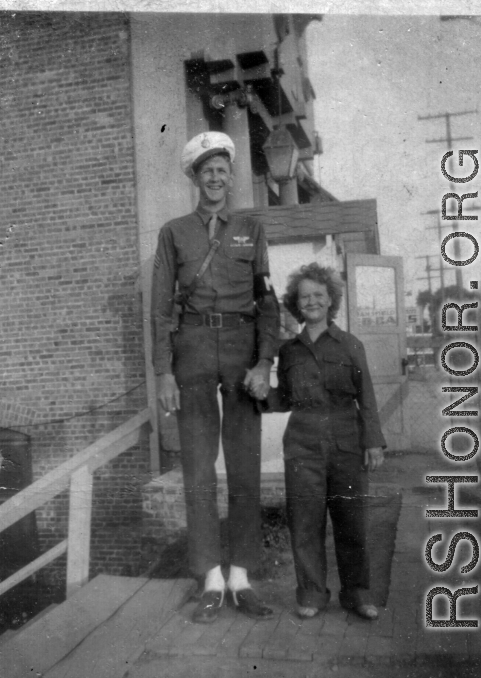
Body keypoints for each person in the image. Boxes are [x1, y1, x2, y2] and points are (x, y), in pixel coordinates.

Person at [151, 132, 280, 623]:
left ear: (231, 174)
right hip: (194, 354)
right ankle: (209, 577)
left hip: (243, 353)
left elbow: (266, 299)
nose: (214, 177)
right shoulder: (174, 232)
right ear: (194, 177)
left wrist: (265, 361)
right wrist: (164, 371)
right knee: (199, 471)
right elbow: (160, 307)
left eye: (222, 169)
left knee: (244, 469)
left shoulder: (251, 228)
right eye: (206, 170)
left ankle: (242, 576)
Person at [252, 263, 385, 620]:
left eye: (318, 295)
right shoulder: (290, 351)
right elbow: (284, 399)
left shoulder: (350, 344)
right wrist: (260, 393)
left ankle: (357, 594)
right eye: (304, 296)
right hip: (303, 445)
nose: (311, 301)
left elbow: (367, 397)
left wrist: (373, 442)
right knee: (305, 523)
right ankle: (312, 593)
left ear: (330, 301)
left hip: (346, 441)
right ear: (296, 304)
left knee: (351, 521)